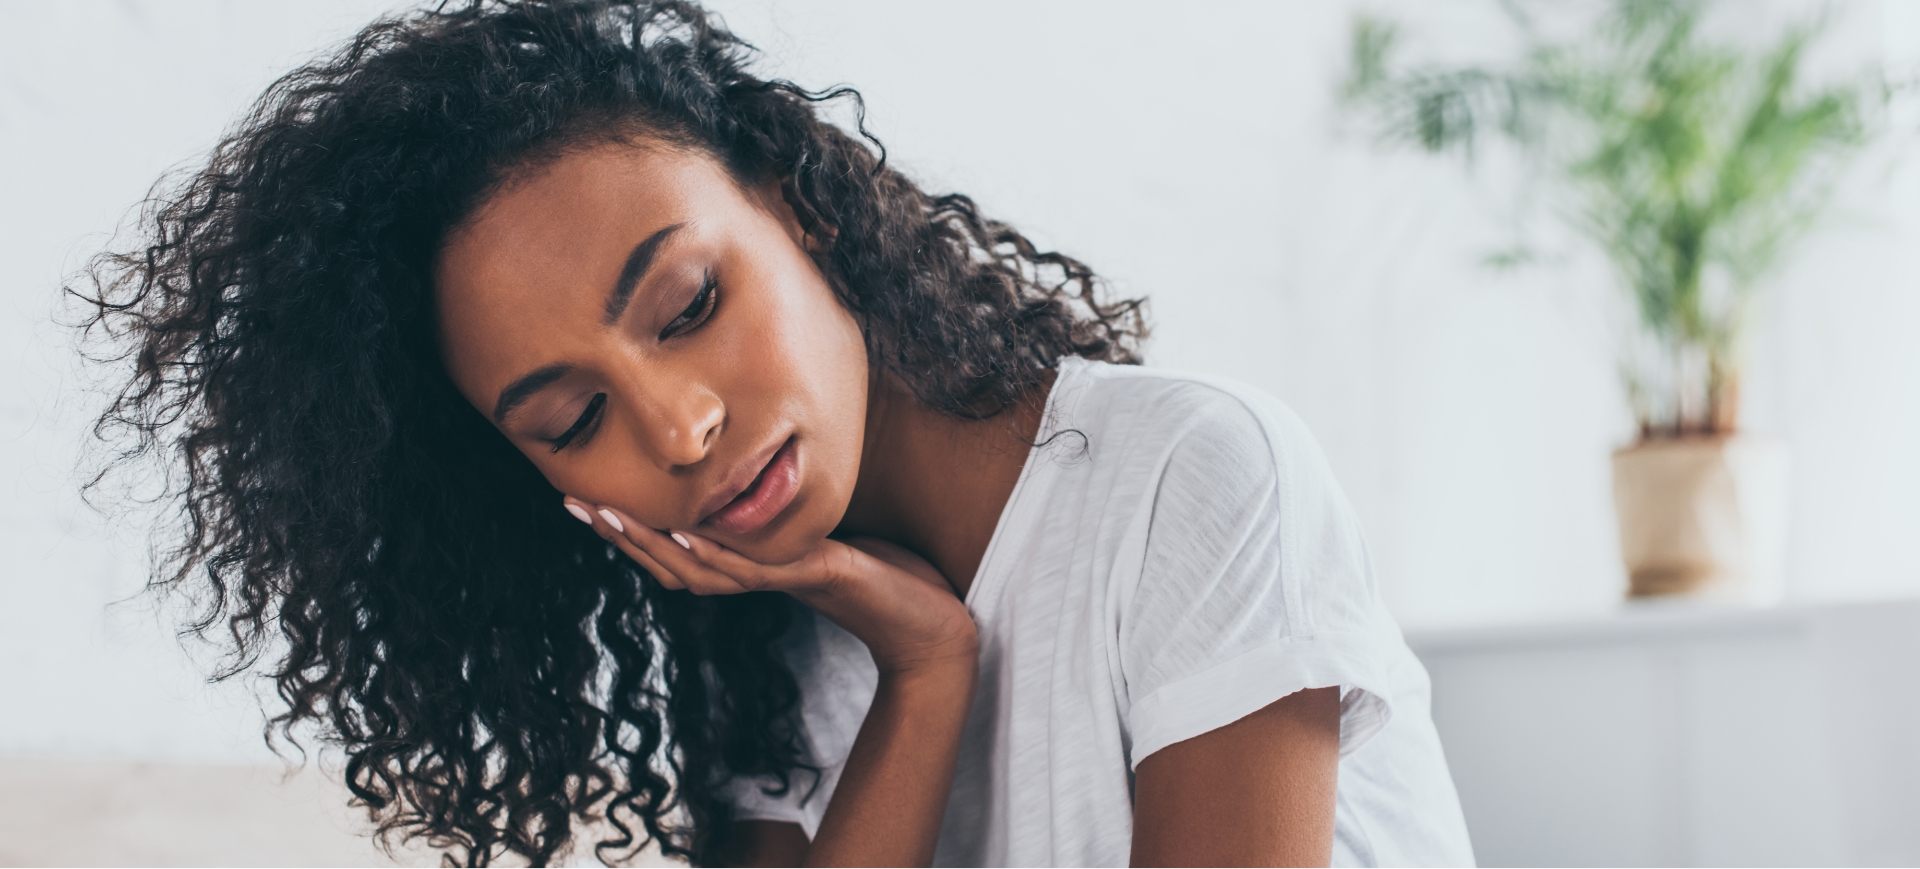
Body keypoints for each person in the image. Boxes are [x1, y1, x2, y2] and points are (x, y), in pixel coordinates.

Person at [76, 1, 1474, 865]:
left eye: (687, 304)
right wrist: (924, 669)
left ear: (799, 205)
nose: (679, 427)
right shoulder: (767, 651)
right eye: (574, 420)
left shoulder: (1189, 480)